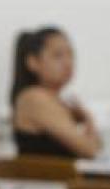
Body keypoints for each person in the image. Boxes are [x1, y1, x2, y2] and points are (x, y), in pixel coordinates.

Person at [10, 27, 102, 159]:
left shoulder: (58, 100)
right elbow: (90, 151)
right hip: (46, 179)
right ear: (33, 62)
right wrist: (88, 118)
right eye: (58, 55)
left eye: (71, 55)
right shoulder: (34, 98)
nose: (68, 63)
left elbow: (96, 147)